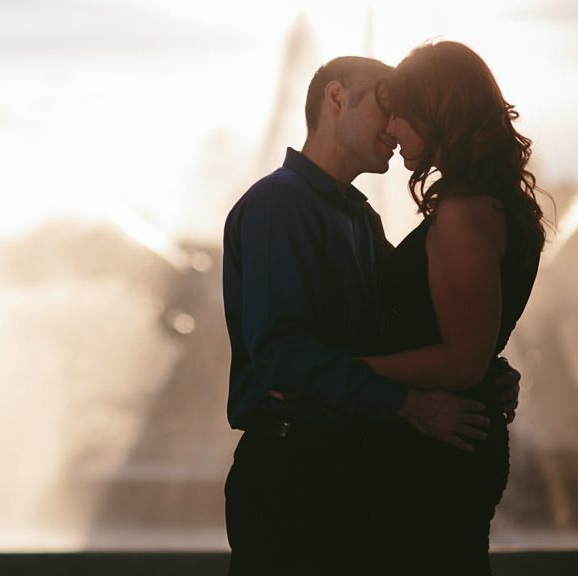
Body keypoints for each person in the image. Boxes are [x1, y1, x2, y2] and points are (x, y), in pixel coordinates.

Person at [221, 56, 520, 575]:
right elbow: (281, 357)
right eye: (387, 105)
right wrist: (407, 403)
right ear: (336, 99)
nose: (397, 123)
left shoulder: (357, 214)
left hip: (345, 473)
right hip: (292, 478)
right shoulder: (279, 204)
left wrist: (482, 370)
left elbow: (397, 329)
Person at [361, 41, 547, 575]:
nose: (391, 127)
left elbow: (463, 359)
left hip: (434, 453)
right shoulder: (493, 203)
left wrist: (346, 369)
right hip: (453, 440)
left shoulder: (463, 214)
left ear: (437, 111)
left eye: (400, 112)